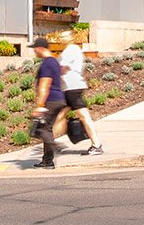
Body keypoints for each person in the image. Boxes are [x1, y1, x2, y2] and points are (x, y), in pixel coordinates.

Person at [54, 31, 103, 156]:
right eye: (61, 37)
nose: (61, 38)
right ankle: (52, 143)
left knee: (83, 116)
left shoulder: (71, 49)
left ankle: (96, 145)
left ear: (70, 38)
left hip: (72, 88)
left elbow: (62, 68)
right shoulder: (68, 50)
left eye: (64, 36)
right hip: (68, 88)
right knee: (59, 115)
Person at [28, 36, 66, 168]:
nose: (34, 51)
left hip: (51, 100)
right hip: (58, 99)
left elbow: (44, 85)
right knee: (46, 128)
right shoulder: (54, 62)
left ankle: (50, 156)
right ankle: (47, 160)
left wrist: (40, 106)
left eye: (35, 49)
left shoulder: (46, 64)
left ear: (40, 48)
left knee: (43, 130)